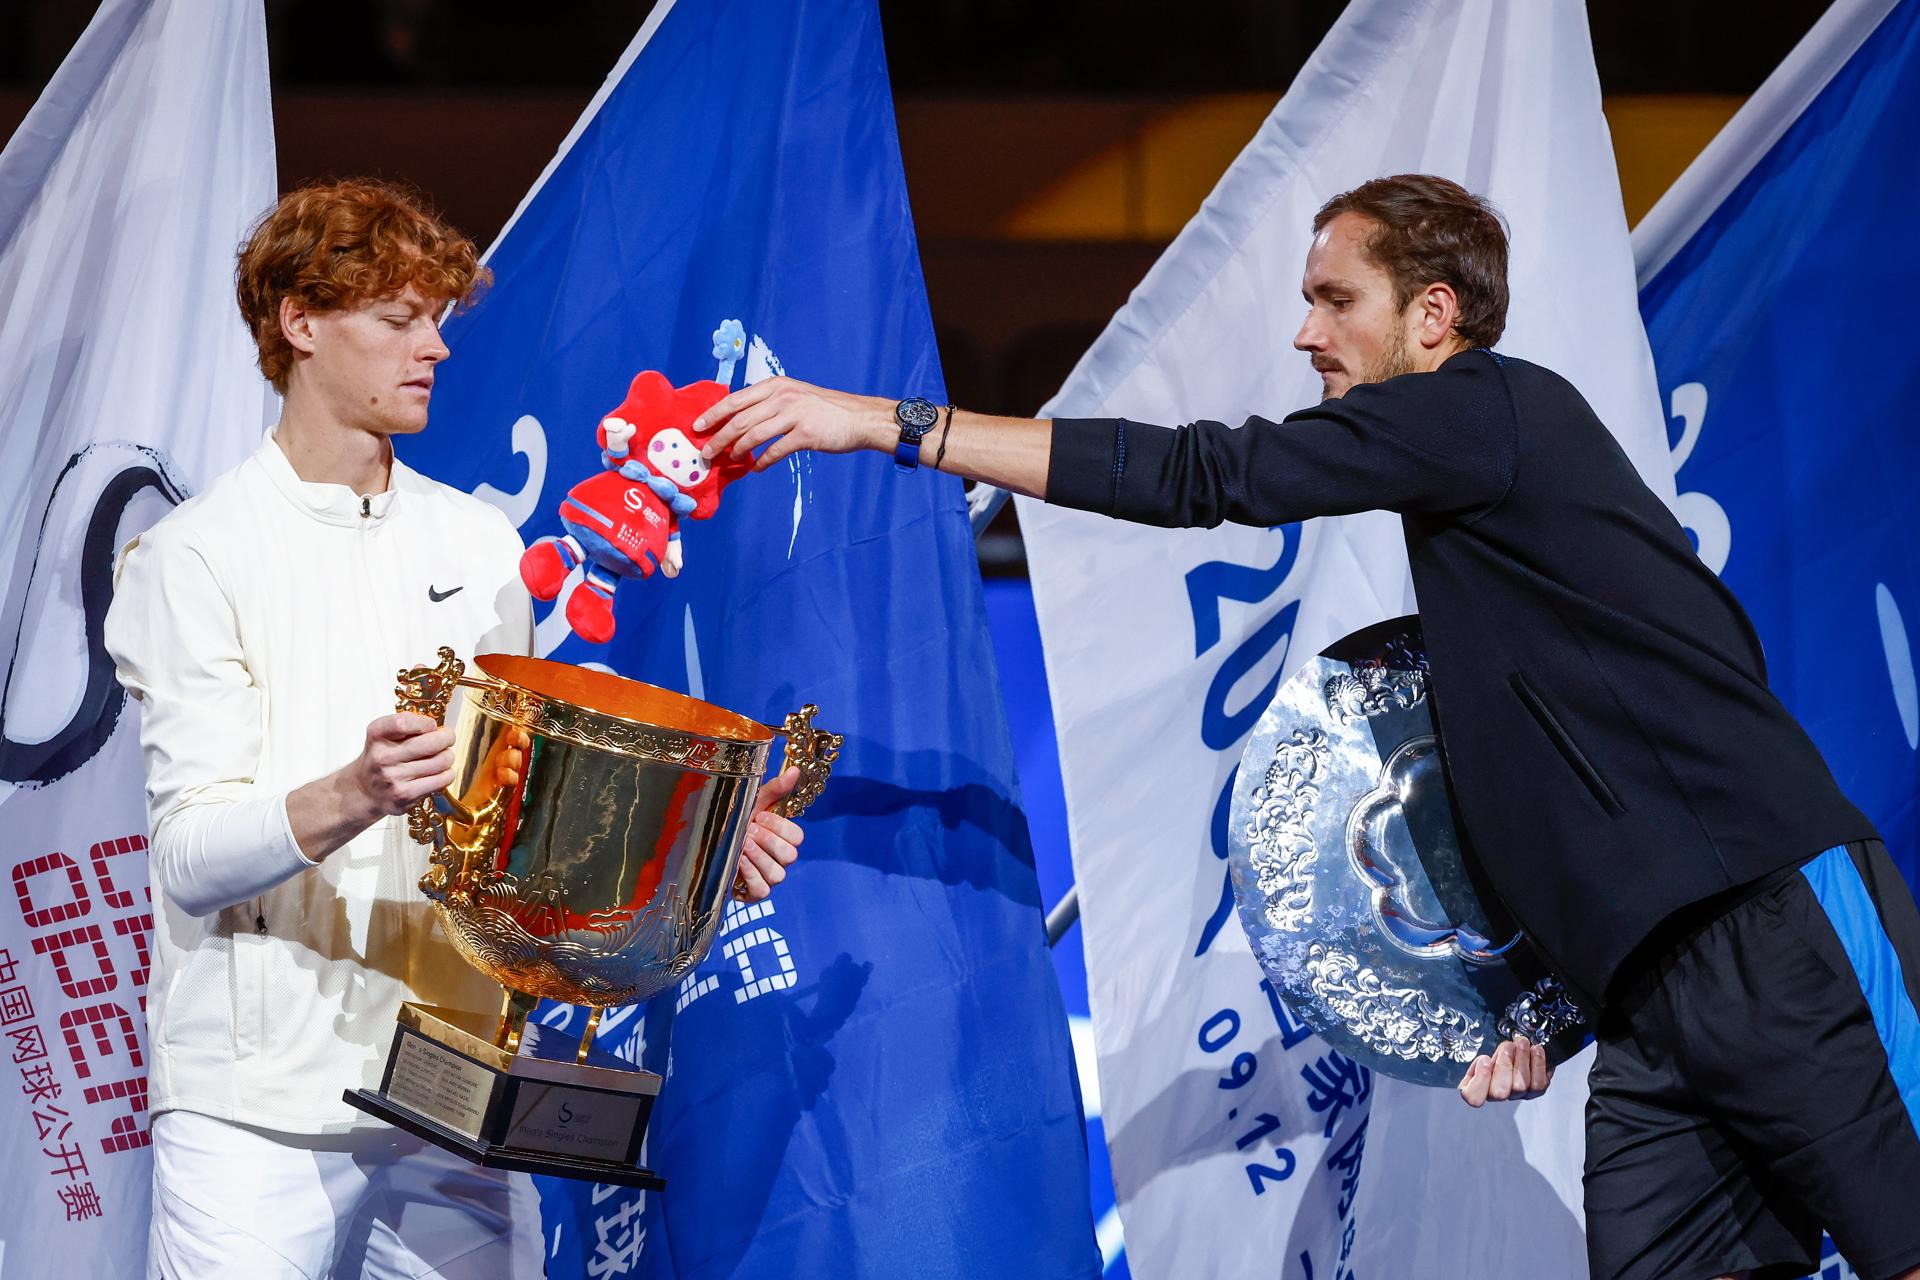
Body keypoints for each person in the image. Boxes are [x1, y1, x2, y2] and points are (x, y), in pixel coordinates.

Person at [688, 174, 1920, 1280]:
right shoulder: (1482, 498)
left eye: (1336, 299)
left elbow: (1205, 475)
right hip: (1650, 997)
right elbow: (1582, 762)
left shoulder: (1485, 404)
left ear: (1433, 314)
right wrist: (1546, 997)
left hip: (1775, 921)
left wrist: (893, 425)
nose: (1306, 332)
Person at [105, 179, 806, 1278]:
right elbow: (190, 858)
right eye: (399, 319)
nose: (434, 346)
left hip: (454, 1088)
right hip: (255, 1108)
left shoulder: (481, 547)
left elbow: (515, 839)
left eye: (435, 319)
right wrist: (356, 792)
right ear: (300, 322)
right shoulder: (194, 555)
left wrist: (696, 856)